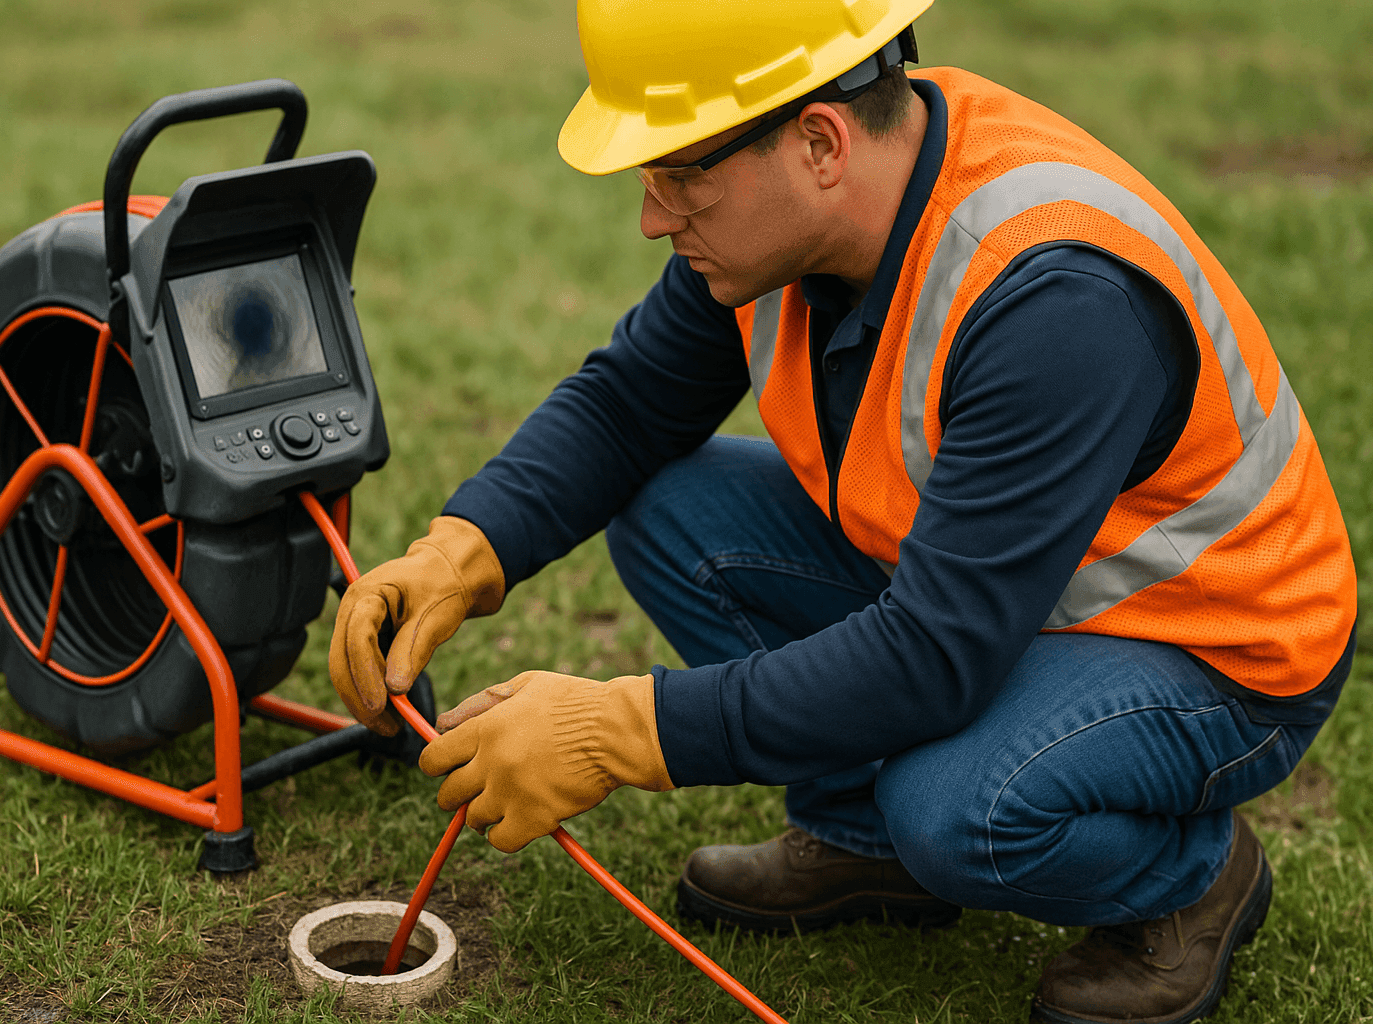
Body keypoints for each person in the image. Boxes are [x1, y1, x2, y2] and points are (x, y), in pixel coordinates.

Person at [328, 1, 1358, 1020]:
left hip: (1211, 646)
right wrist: (458, 552)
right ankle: (863, 841)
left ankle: (1193, 876)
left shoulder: (1053, 297)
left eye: (683, 171)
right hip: (997, 600)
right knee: (672, 507)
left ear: (820, 141)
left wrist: (621, 731)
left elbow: (935, 657)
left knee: (959, 807)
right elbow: (630, 403)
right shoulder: (791, 221)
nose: (653, 214)